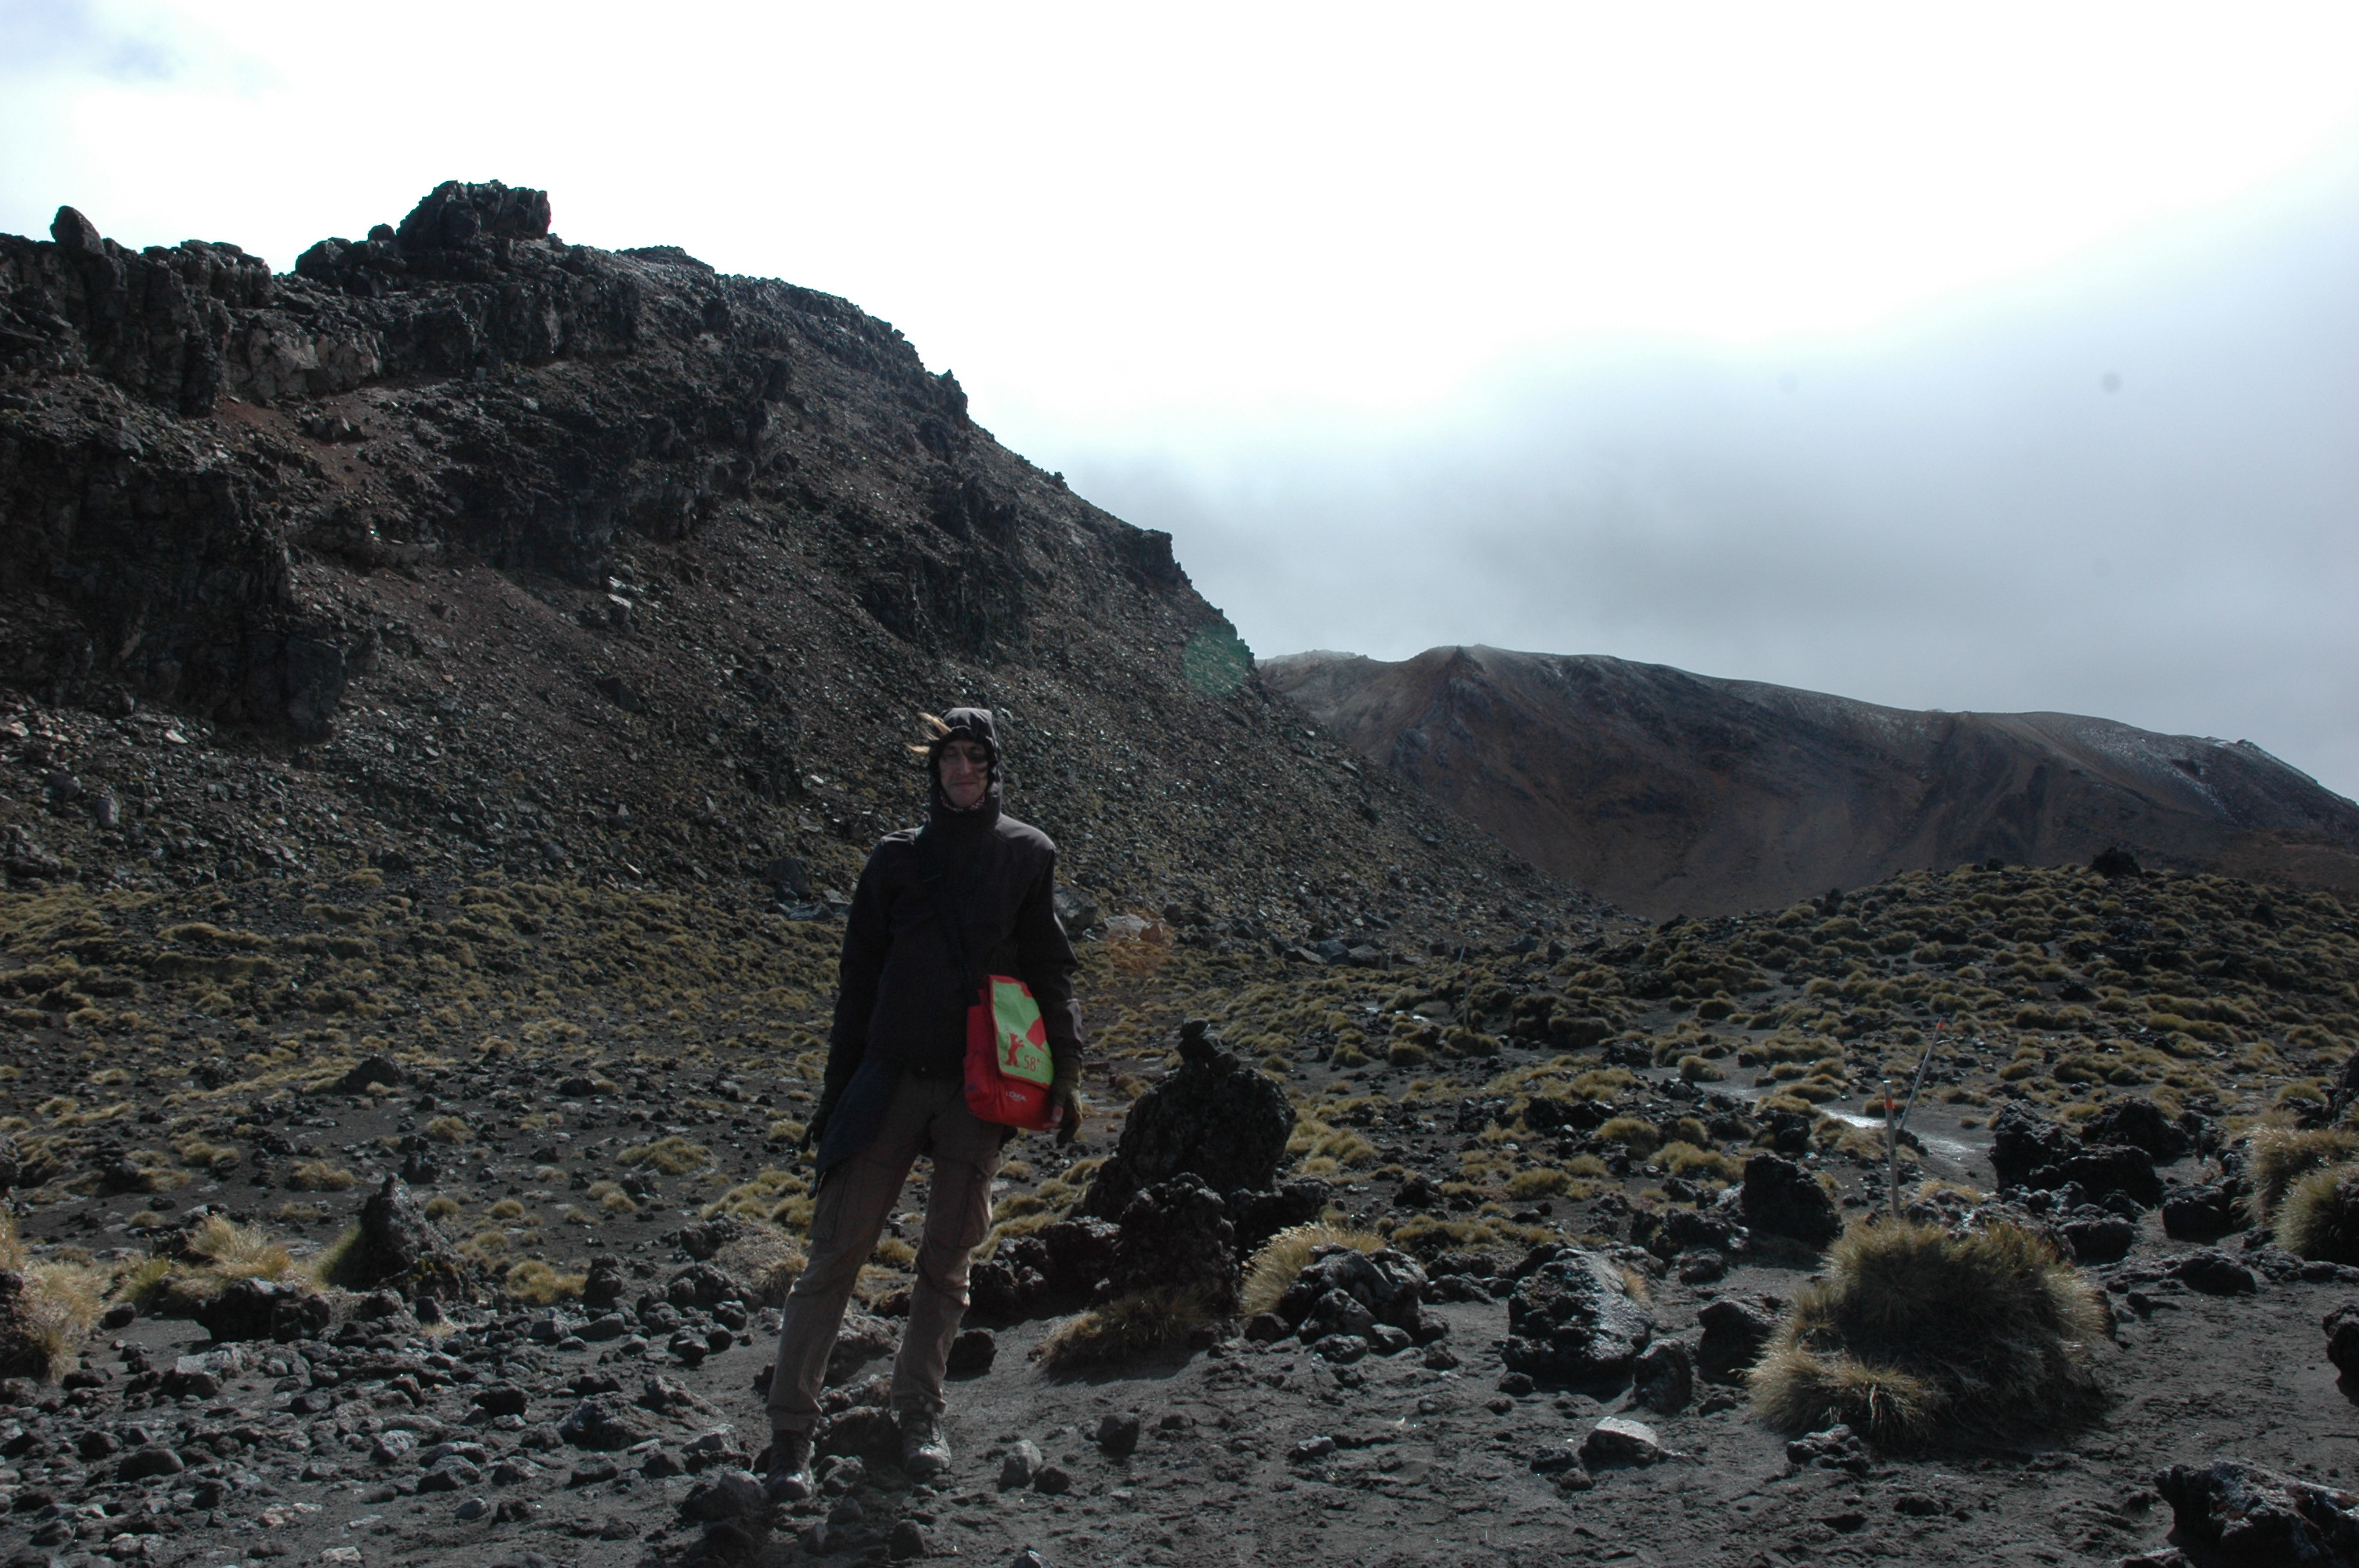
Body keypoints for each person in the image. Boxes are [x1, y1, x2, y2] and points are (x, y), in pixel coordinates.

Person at [764, 708, 1084, 1499]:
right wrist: (837, 1092)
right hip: (888, 1077)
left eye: (974, 756)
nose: (961, 770)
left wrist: (1064, 1072)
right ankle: (789, 1435)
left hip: (976, 1087)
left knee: (946, 1260)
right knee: (836, 1252)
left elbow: (1050, 967)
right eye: (948, 758)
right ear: (934, 769)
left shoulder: (1027, 853)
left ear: (993, 765)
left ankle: (919, 1414)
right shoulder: (895, 859)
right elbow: (857, 982)